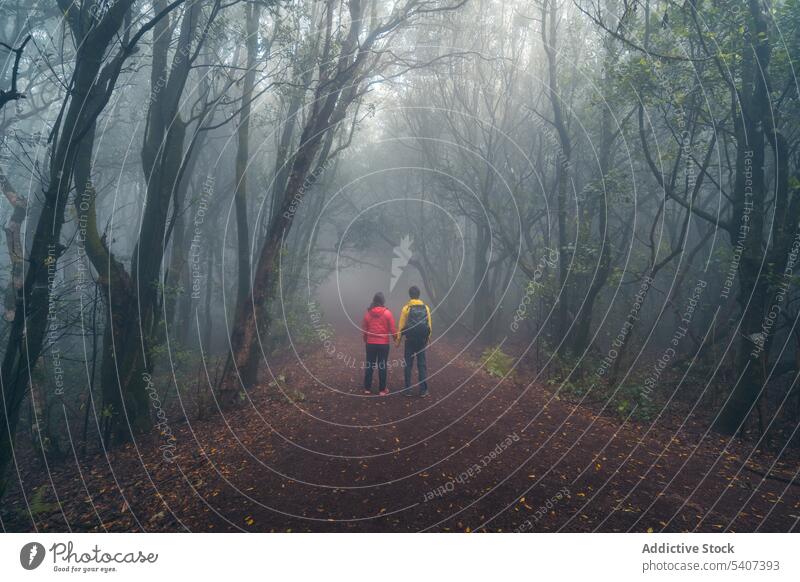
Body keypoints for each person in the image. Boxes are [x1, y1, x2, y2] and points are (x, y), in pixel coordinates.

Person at [395, 285, 432, 397]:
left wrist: (398, 342)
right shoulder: (426, 308)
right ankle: (423, 390)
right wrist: (427, 339)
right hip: (421, 340)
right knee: (422, 365)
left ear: (410, 295)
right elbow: (429, 325)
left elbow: (401, 326)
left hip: (410, 340)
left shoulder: (406, 308)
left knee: (408, 365)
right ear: (419, 295)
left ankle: (407, 390)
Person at [361, 292, 396, 395]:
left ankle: (367, 389)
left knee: (369, 365)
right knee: (382, 365)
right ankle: (382, 390)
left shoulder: (368, 314)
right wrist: (396, 339)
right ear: (383, 301)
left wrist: (366, 340)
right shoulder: (387, 313)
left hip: (370, 343)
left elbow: (364, 329)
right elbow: (392, 329)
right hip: (383, 344)